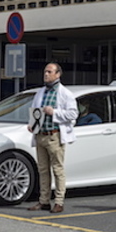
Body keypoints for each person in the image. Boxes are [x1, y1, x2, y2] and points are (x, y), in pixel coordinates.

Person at [27, 63, 79, 213]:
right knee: (43, 170)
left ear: (58, 74)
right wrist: (31, 125)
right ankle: (44, 201)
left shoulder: (65, 93)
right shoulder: (40, 92)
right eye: (45, 71)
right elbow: (35, 111)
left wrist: (54, 112)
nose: (46, 74)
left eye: (49, 72)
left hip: (54, 135)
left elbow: (73, 114)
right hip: (40, 135)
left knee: (57, 169)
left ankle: (59, 201)